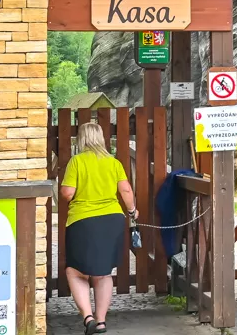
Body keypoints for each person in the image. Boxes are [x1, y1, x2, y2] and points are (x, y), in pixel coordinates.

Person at [60, 122, 138, 335]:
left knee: (75, 272)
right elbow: (126, 190)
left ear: (81, 139)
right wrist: (132, 212)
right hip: (112, 220)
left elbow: (67, 193)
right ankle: (101, 321)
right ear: (101, 138)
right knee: (103, 273)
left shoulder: (77, 161)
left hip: (83, 221)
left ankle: (88, 318)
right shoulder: (113, 163)